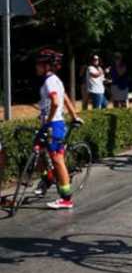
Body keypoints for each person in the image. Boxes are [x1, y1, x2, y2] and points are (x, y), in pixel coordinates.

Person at [34, 49, 83, 209]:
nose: (36, 66)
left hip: (54, 125)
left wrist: (47, 121)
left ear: (47, 65)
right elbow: (65, 98)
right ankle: (48, 178)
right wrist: (74, 116)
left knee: (57, 159)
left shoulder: (50, 81)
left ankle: (66, 198)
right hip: (49, 123)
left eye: (39, 64)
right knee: (38, 151)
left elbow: (56, 102)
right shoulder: (54, 80)